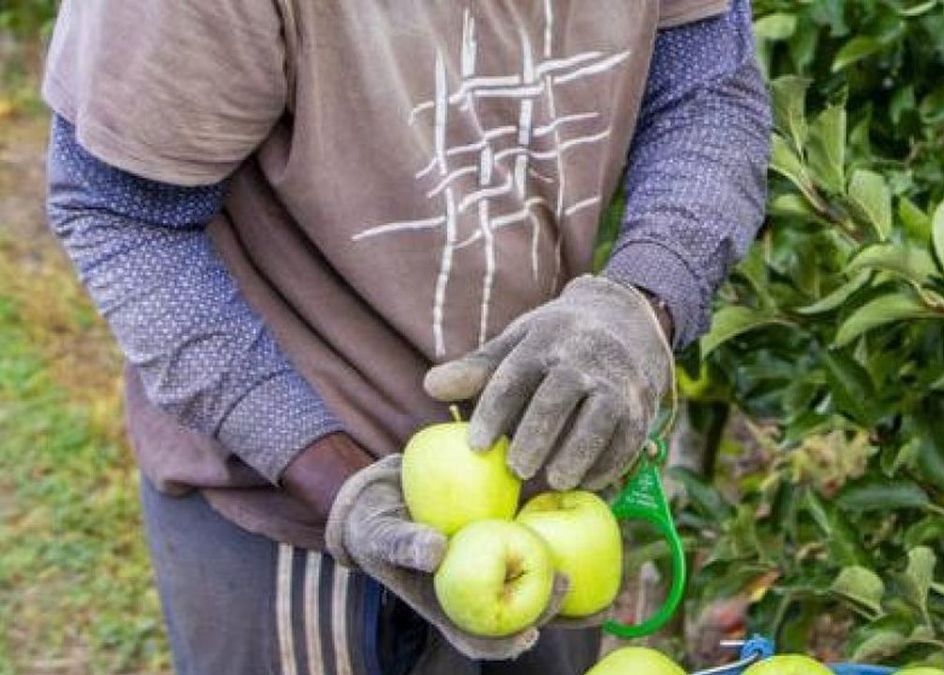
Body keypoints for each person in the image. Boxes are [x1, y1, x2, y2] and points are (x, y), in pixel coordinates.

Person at [42, 0, 770, 672]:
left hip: (543, 469)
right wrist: (331, 477)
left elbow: (705, 89)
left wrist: (642, 303)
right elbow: (123, 213)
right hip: (288, 503)